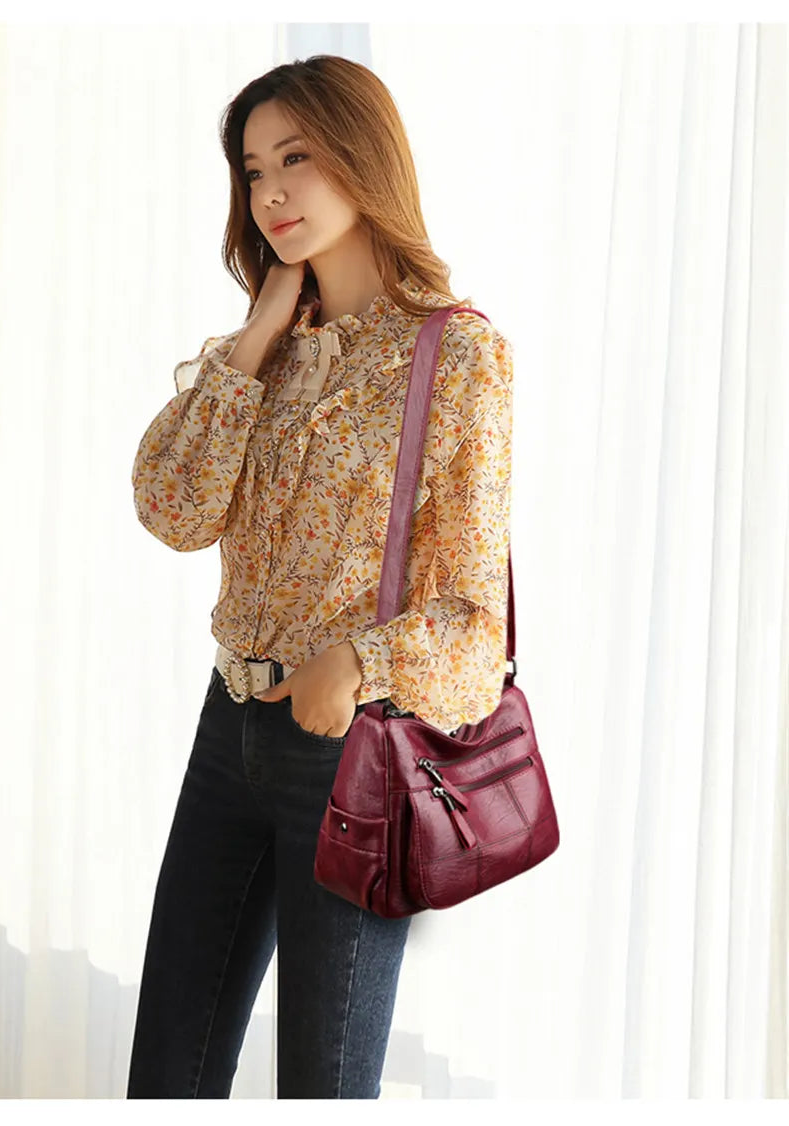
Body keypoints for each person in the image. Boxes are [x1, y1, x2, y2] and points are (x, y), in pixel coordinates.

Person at [127, 54, 513, 1099]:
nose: (271, 192)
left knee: (322, 1089)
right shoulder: (265, 355)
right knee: (165, 1076)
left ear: (362, 155)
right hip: (228, 730)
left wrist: (357, 660)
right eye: (254, 171)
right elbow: (170, 511)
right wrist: (258, 333)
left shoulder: (454, 353)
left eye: (295, 157)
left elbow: (475, 623)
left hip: (351, 759)